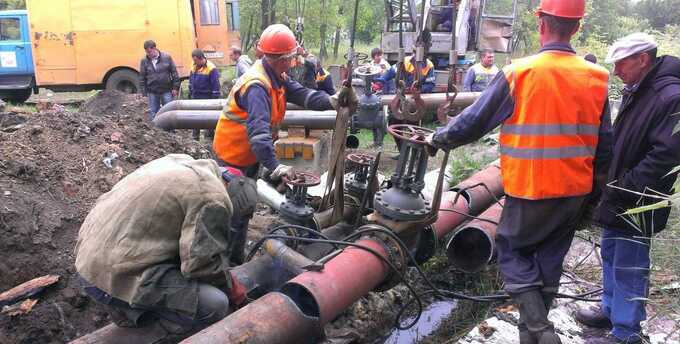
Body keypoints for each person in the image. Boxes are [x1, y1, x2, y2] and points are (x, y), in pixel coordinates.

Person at [427, 1, 613, 343]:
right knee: (549, 264)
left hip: (531, 187)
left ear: (541, 22)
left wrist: (438, 139)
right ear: (577, 28)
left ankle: (541, 331)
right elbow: (606, 146)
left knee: (512, 252)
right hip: (575, 190)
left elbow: (474, 121)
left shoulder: (520, 72)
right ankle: (532, 336)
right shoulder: (597, 78)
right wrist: (595, 196)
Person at [212, 24, 357, 265]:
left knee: (243, 209)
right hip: (232, 159)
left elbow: (303, 94)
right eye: (291, 57)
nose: (294, 62)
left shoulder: (275, 76)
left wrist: (332, 101)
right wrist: (276, 167)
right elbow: (258, 136)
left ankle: (234, 261)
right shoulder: (257, 86)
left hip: (245, 157)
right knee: (233, 214)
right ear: (281, 59)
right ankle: (227, 269)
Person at [574, 33, 680, 344]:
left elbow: (667, 154)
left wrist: (626, 185)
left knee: (630, 264)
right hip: (620, 192)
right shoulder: (641, 89)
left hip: (638, 199)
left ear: (642, 59)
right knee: (610, 253)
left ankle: (626, 333)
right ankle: (610, 309)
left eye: (621, 63)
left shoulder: (669, 96)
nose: (616, 70)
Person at [75, 154, 257, 333]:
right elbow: (200, 267)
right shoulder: (214, 199)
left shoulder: (179, 161)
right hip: (108, 276)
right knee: (216, 304)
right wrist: (231, 287)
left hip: (88, 258)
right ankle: (152, 322)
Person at [375, 53, 436, 159]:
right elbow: (391, 72)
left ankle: (416, 155)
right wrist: (380, 82)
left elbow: (430, 85)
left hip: (415, 102)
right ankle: (402, 152)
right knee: (394, 124)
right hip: (401, 100)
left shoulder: (429, 66)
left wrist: (418, 90)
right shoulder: (405, 62)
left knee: (414, 128)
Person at [139, 40, 180, 120]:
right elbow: (142, 77)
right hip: (152, 91)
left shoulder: (166, 57)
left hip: (166, 89)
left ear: (154, 48)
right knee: (154, 112)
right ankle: (156, 130)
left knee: (168, 111)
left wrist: (175, 87)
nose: (148, 54)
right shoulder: (144, 61)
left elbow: (174, 73)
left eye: (150, 52)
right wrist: (144, 92)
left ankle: (170, 129)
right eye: (147, 52)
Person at [189, 49, 221, 141]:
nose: (194, 62)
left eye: (196, 60)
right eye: (193, 60)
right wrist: (191, 92)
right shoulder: (194, 66)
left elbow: (215, 85)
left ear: (201, 58)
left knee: (208, 118)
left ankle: (210, 137)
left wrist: (214, 99)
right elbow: (191, 80)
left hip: (207, 97)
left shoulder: (211, 68)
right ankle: (195, 137)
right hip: (196, 96)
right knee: (195, 117)